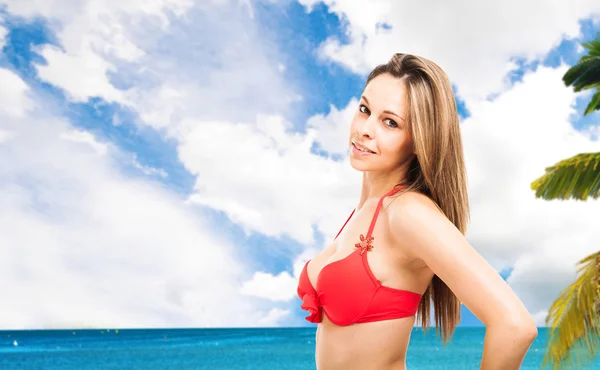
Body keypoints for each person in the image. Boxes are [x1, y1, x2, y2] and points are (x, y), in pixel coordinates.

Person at [296, 53, 538, 370]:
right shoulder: (364, 212)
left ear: (418, 140)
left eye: (390, 122)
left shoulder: (408, 212)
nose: (365, 129)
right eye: (365, 109)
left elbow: (515, 326)